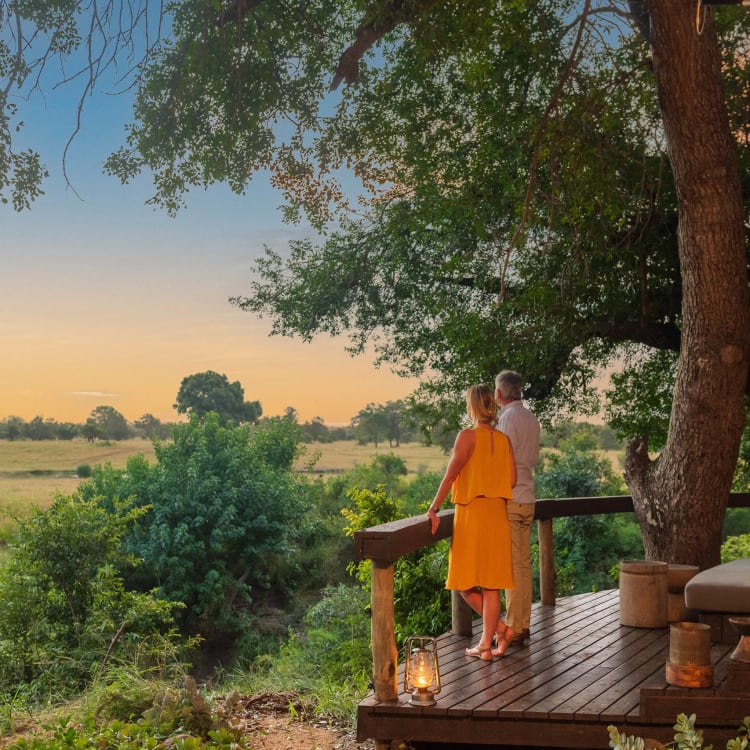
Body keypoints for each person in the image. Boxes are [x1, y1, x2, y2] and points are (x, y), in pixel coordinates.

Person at [426, 384, 517, 661]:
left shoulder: (466, 436)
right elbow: (512, 480)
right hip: (497, 514)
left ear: (473, 407)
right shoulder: (504, 440)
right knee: (491, 584)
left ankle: (494, 637)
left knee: (464, 583)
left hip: (472, 513)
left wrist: (434, 507)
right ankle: (489, 643)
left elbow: (451, 474)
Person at [495, 370, 541, 646]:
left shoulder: (507, 419)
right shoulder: (531, 419)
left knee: (512, 568)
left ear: (500, 394)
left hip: (511, 497)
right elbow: (532, 458)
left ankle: (513, 627)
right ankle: (522, 625)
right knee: (523, 566)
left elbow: (501, 460)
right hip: (529, 498)